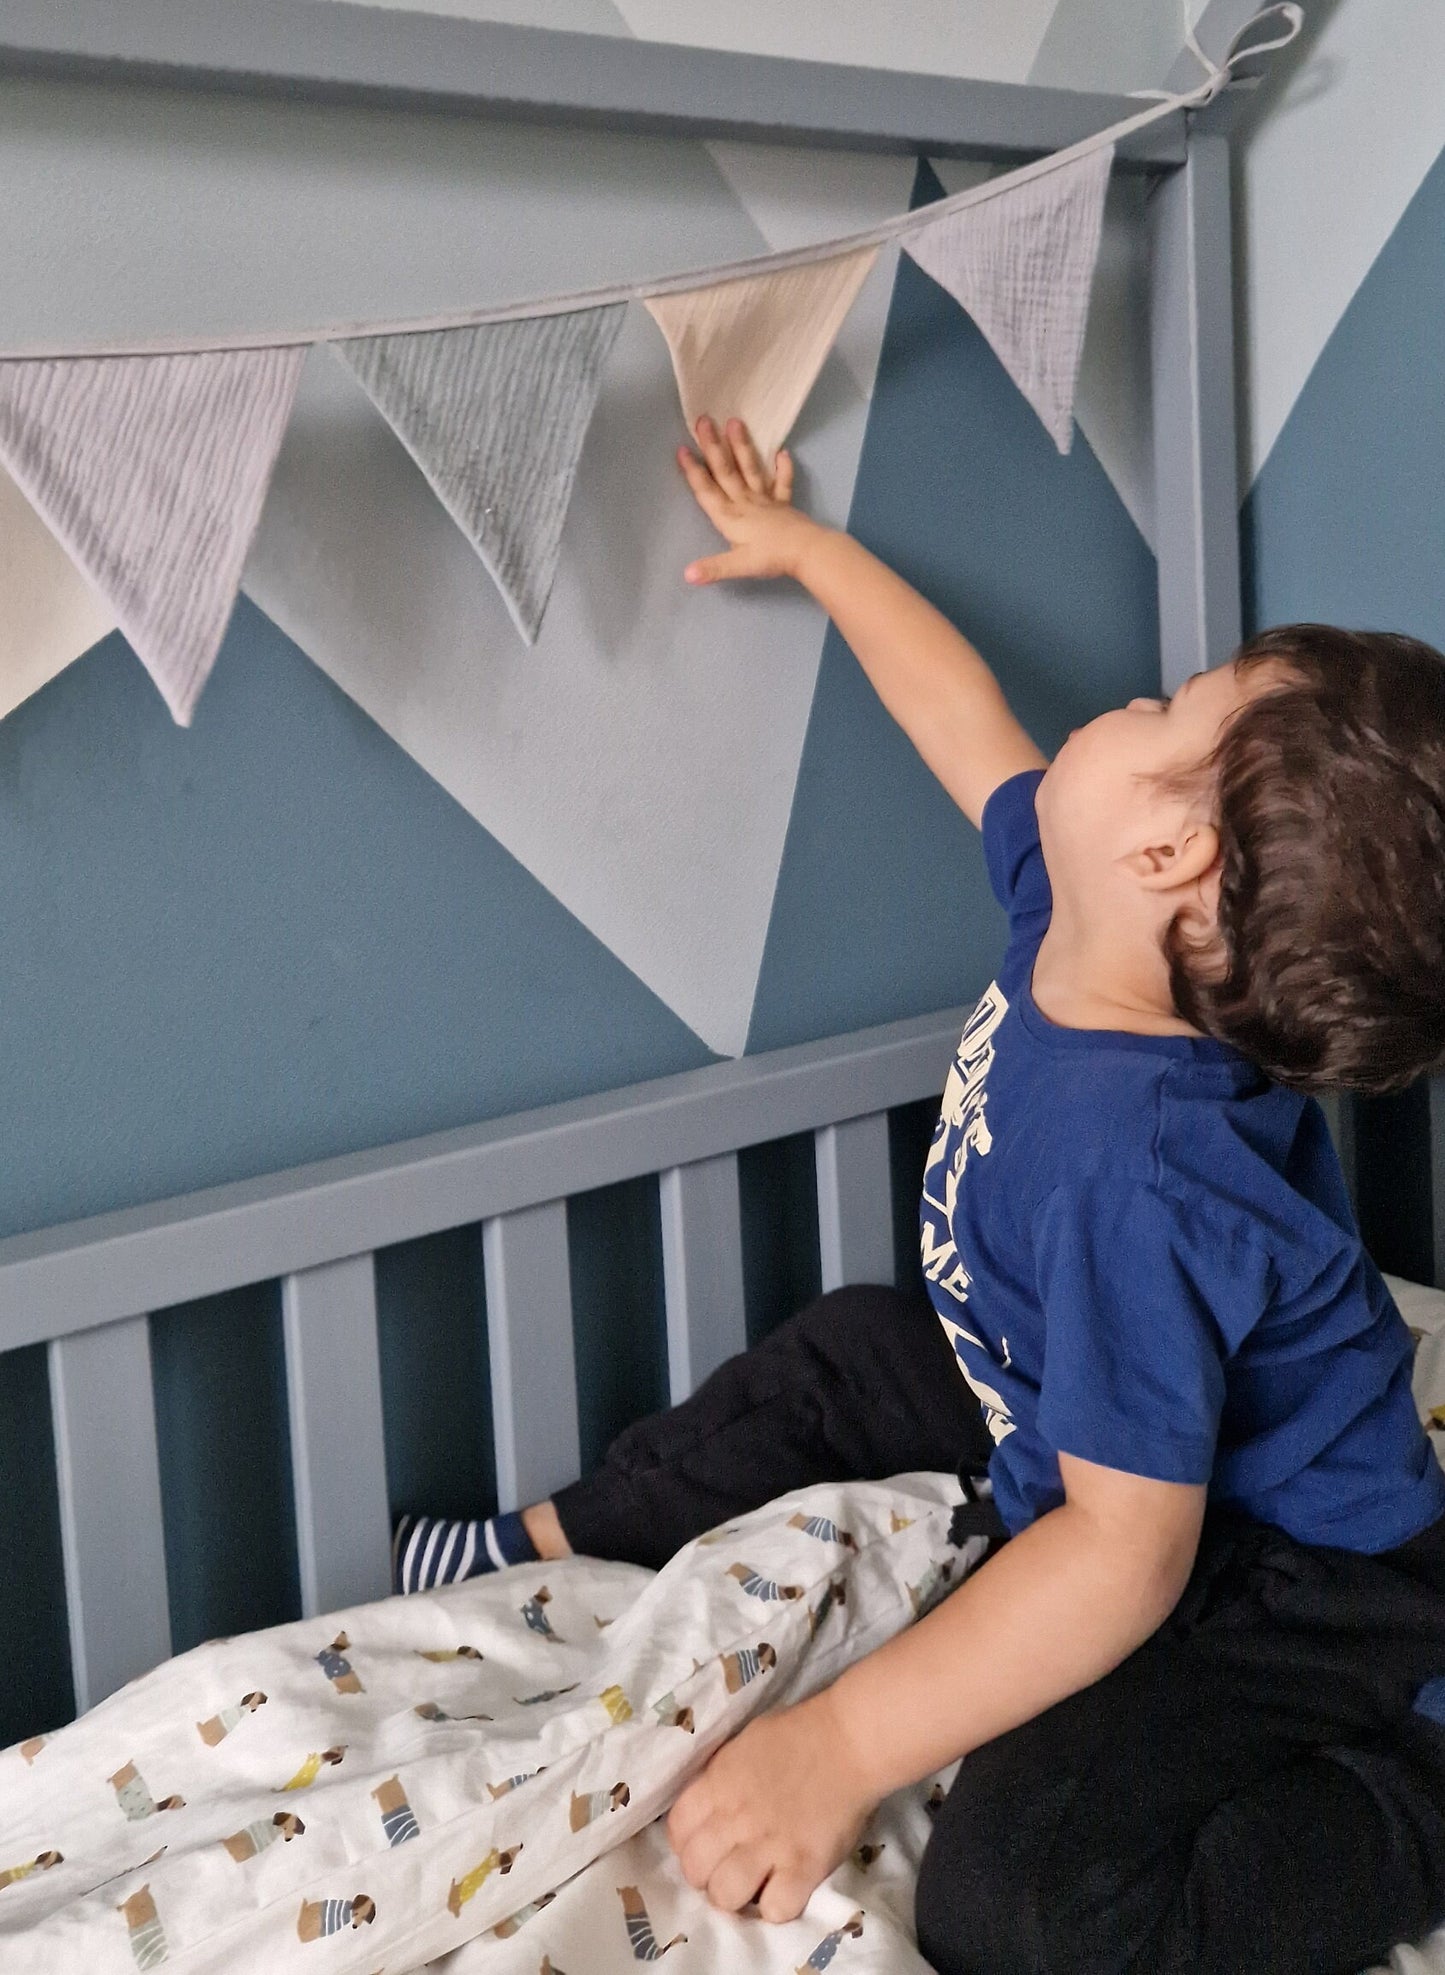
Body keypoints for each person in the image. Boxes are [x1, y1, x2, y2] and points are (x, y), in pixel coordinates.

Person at [396, 415, 1445, 1975]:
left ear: (1166, 848)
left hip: (1289, 1579)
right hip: (1067, 1413)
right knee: (851, 1353)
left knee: (1017, 1902)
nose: (1127, 697)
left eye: (1168, 703)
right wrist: (818, 555)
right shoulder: (1074, 919)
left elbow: (1119, 1555)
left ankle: (1411, 1797)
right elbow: (961, 717)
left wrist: (834, 1751)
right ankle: (543, 1546)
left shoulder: (1136, 1169)